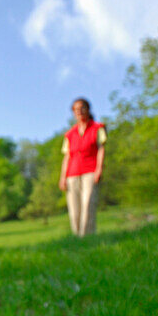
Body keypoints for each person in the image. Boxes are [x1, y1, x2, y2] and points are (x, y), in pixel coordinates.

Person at [59, 97, 106, 237]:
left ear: (88, 109)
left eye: (82, 108)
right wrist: (63, 177)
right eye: (76, 109)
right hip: (72, 174)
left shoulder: (98, 128)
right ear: (73, 113)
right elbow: (67, 157)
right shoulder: (70, 134)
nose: (79, 111)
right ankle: (77, 238)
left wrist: (99, 169)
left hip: (90, 171)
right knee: (74, 209)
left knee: (87, 205)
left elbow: (101, 149)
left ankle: (88, 237)